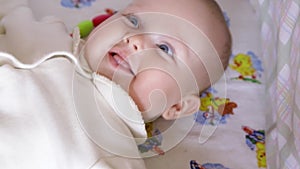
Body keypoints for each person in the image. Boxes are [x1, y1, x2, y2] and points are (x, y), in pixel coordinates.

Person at [0, 0, 231, 168]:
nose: (135, 40)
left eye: (164, 49)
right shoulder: (47, 33)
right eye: (133, 20)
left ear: (177, 106)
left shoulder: (113, 151)